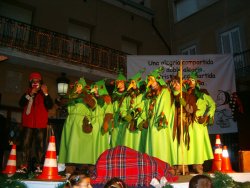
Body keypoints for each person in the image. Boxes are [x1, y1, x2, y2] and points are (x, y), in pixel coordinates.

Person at [58, 78, 96, 173]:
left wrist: (86, 97)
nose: (78, 88)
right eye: (77, 86)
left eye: (80, 86)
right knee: (70, 144)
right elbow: (61, 103)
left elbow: (93, 105)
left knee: (81, 145)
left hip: (82, 122)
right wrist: (69, 98)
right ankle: (70, 167)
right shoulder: (71, 97)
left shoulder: (87, 96)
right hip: (70, 122)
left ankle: (84, 167)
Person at [19, 72, 53, 172]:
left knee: (40, 145)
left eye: (38, 81)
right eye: (33, 81)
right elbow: (21, 103)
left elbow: (49, 105)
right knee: (25, 144)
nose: (36, 82)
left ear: (41, 82)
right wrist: (30, 94)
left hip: (41, 124)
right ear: (30, 82)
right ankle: (23, 166)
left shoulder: (44, 94)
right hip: (28, 123)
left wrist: (46, 93)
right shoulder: (27, 93)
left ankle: (39, 166)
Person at [144, 67, 177, 165]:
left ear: (157, 81)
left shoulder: (164, 91)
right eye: (149, 81)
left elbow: (164, 107)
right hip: (152, 121)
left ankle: (163, 164)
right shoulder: (152, 94)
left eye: (152, 81)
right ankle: (153, 164)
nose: (151, 83)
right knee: (153, 144)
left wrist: (160, 119)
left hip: (160, 123)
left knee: (160, 144)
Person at [185, 71, 216, 174]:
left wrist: (206, 116)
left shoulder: (203, 93)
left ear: (196, 82)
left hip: (198, 123)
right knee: (187, 144)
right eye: (189, 80)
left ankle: (198, 167)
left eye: (192, 80)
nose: (190, 82)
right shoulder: (185, 93)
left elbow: (212, 104)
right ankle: (184, 167)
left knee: (198, 145)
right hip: (187, 122)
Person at [120, 69, 147, 152]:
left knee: (137, 144)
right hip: (129, 122)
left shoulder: (143, 95)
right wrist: (125, 116)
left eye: (133, 82)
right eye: (131, 82)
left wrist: (137, 114)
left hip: (138, 122)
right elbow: (123, 108)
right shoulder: (128, 97)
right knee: (128, 143)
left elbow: (144, 106)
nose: (132, 84)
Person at [90, 79, 113, 163]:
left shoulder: (106, 99)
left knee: (101, 144)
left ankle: (101, 162)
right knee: (91, 145)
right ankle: (91, 162)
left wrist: (106, 122)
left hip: (101, 123)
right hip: (92, 124)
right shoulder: (92, 99)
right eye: (94, 88)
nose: (95, 90)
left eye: (96, 88)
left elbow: (109, 111)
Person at [111, 71, 128, 147]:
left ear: (124, 83)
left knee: (123, 138)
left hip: (124, 118)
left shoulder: (128, 94)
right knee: (114, 138)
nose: (118, 83)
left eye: (120, 82)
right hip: (116, 119)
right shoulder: (114, 95)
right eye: (117, 82)